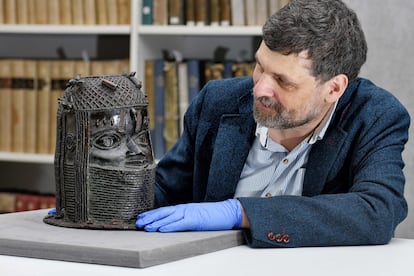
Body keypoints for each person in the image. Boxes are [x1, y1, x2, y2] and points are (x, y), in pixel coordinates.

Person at [136, 0, 410, 248]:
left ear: (334, 88)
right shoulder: (217, 102)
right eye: (260, 67)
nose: (260, 89)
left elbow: (377, 210)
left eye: (282, 80)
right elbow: (162, 191)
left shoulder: (374, 115)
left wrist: (239, 212)